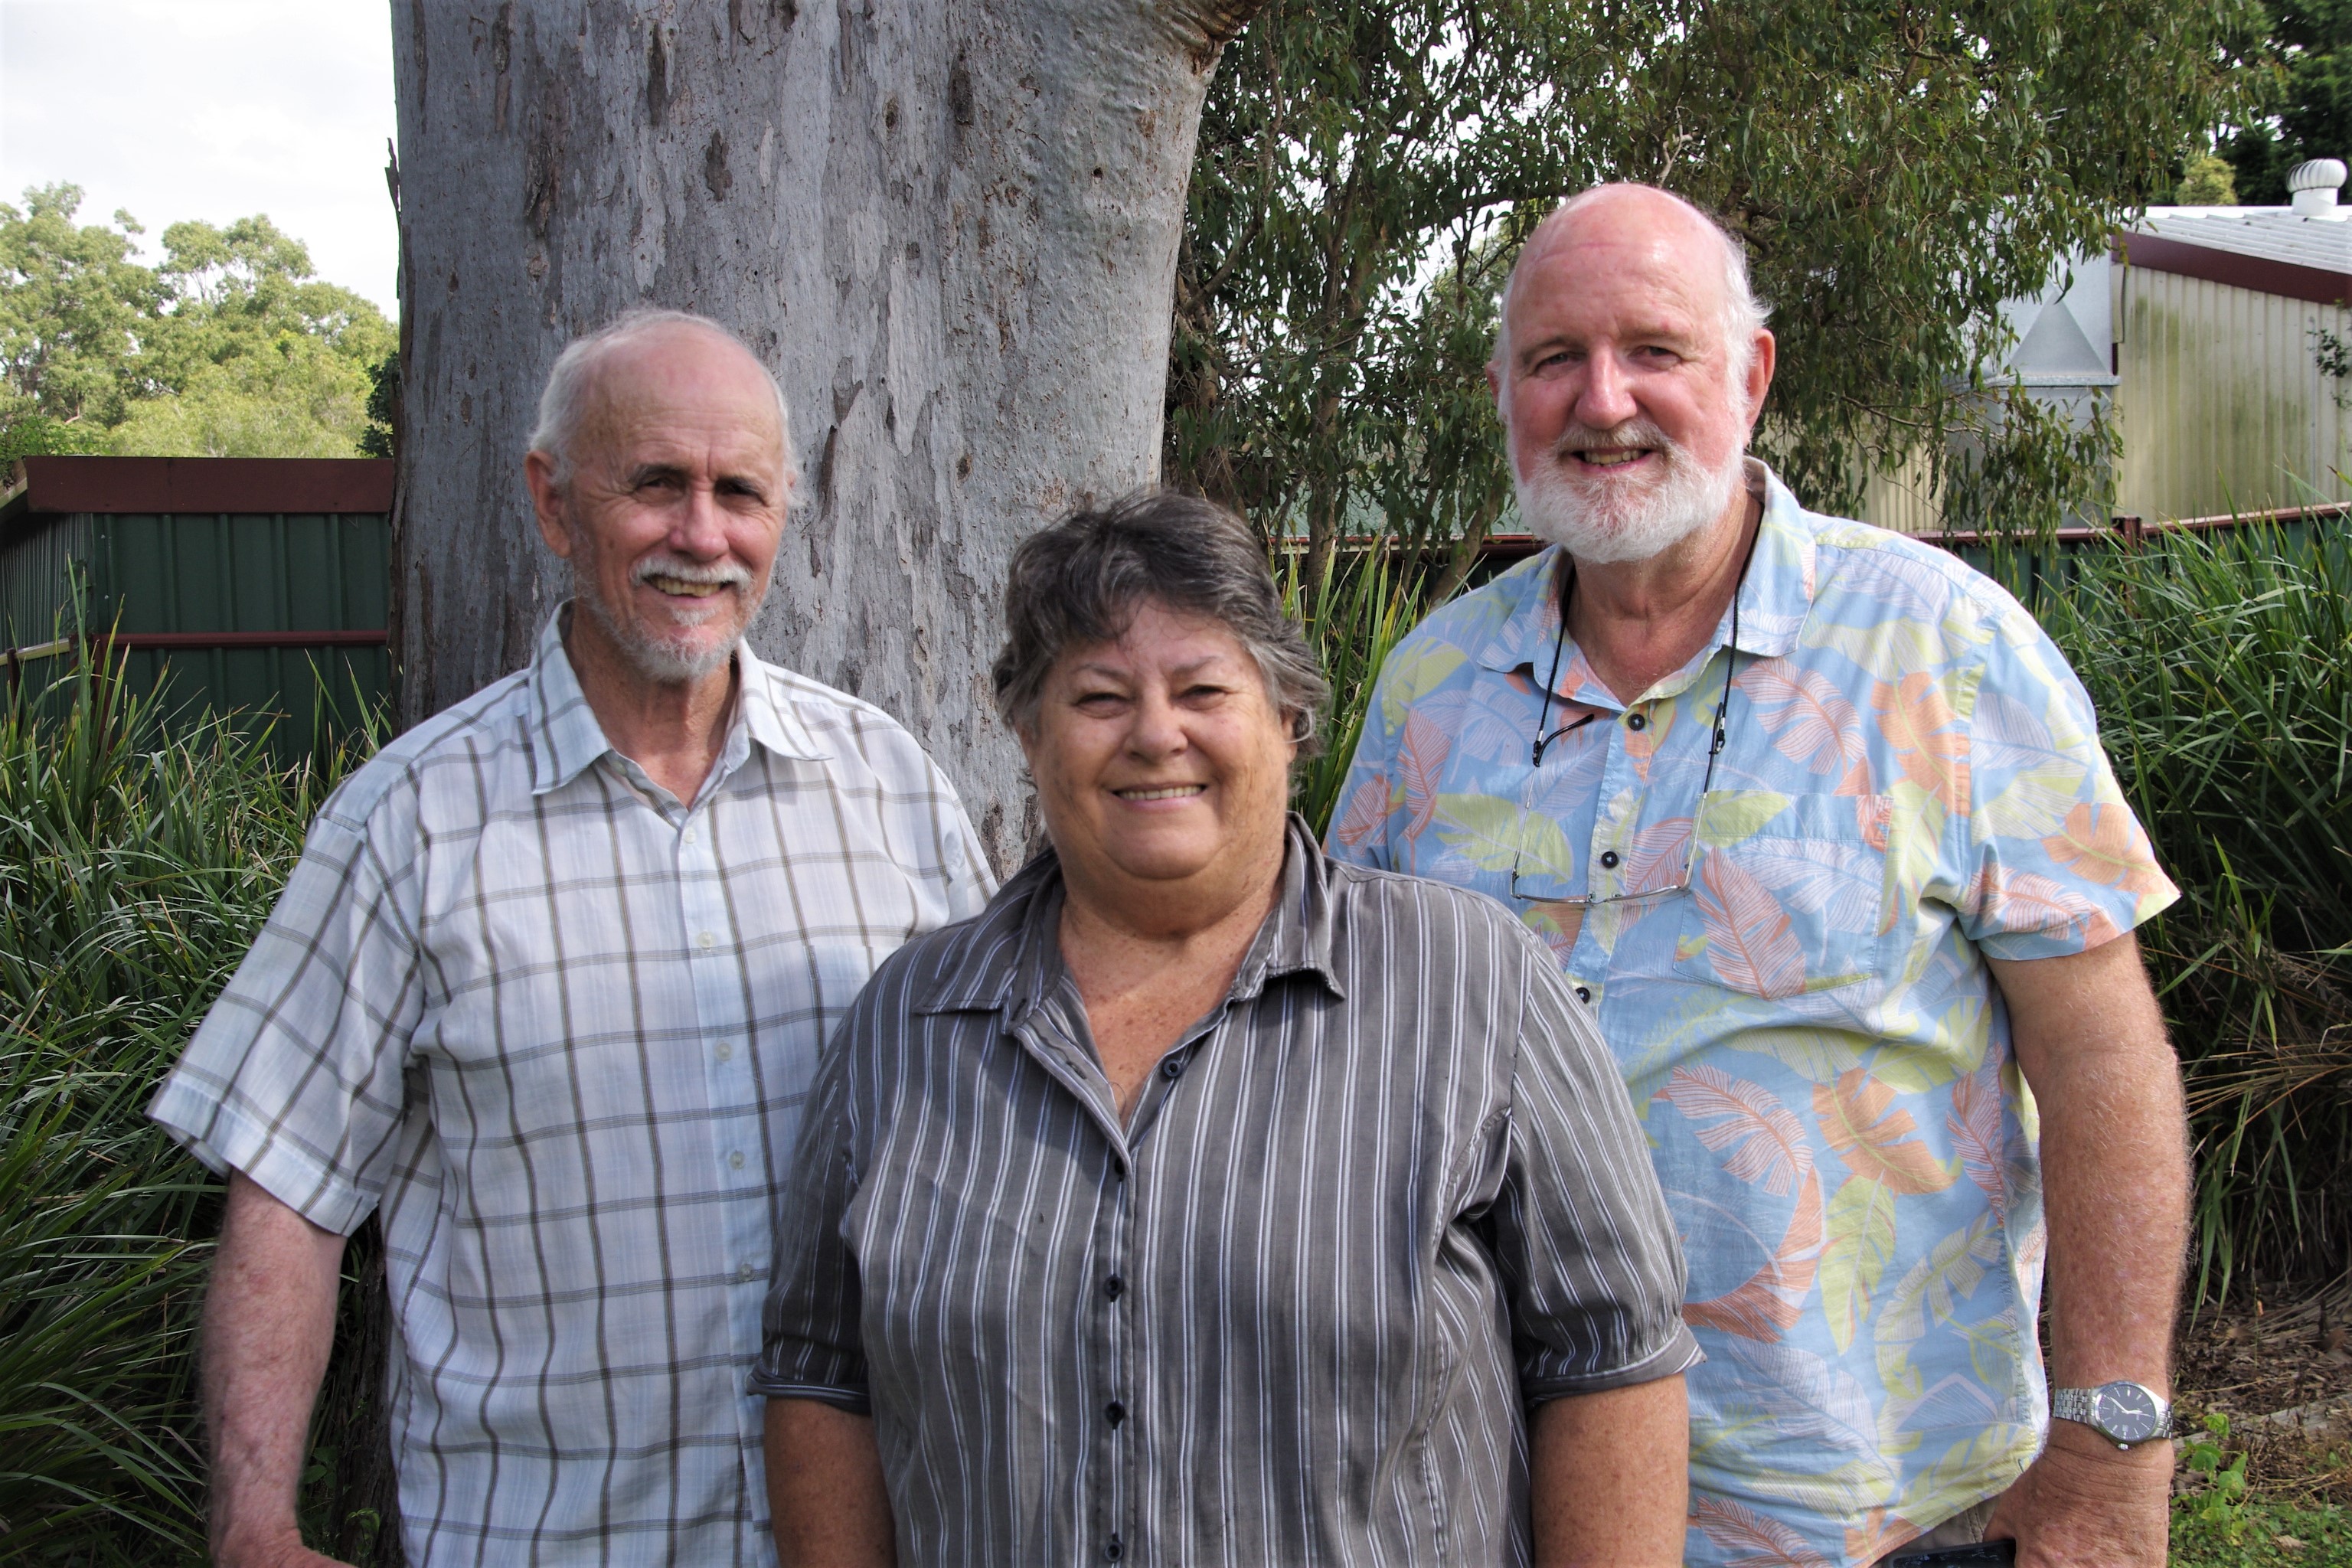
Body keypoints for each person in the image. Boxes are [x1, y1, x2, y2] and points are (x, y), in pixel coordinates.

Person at [1328, 185, 2190, 1567]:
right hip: (1498, 1504)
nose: (1602, 400)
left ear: (1753, 374)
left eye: (1653, 351)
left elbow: (2104, 1064)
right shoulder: (1431, 689)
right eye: (1554, 359)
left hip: (1879, 1516)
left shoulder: (1946, 651)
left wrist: (2110, 1447)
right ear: (1505, 391)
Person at [149, 309, 995, 1566]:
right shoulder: (412, 821)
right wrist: (256, 1525)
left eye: (740, 493)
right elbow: (288, 1187)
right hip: (541, 1540)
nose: (701, 535)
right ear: (553, 503)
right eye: (655, 484)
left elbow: (1000, 1138)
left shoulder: (890, 788)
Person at [753, 492, 1700, 1566]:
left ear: (1288, 716)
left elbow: (1611, 1361)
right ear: (1029, 732)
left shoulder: (1476, 987)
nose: (1156, 734)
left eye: (1203, 689)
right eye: (1099, 696)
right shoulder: (906, 1025)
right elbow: (822, 1379)